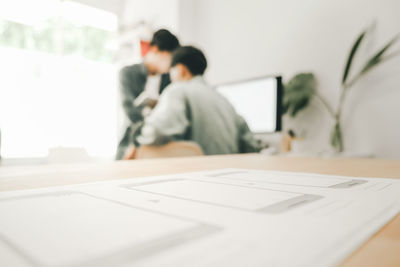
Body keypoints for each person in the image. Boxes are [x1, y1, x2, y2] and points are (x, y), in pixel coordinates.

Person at [135, 46, 261, 155]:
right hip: (228, 177)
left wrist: (139, 131)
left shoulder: (177, 90)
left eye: (171, 71)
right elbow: (251, 146)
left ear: (181, 70)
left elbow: (155, 134)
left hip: (195, 176)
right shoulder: (223, 99)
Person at [116, 29, 180, 160]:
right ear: (155, 50)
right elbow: (130, 112)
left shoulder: (169, 79)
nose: (170, 65)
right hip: (131, 141)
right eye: (169, 58)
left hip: (159, 143)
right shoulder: (127, 73)